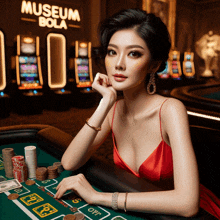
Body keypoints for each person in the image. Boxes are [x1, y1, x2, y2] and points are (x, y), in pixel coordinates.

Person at [54, 9, 220, 219]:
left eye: (134, 53)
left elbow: (187, 204)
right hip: (145, 211)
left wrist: (100, 198)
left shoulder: (170, 110)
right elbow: (69, 162)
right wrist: (105, 103)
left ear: (154, 64)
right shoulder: (113, 109)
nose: (118, 63)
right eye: (112, 52)